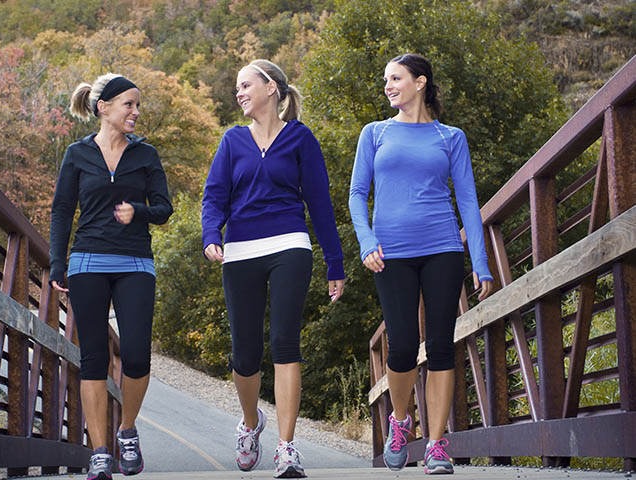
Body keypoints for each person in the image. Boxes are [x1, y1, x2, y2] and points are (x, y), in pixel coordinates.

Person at [349, 53, 493, 475]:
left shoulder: (451, 137)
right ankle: (400, 421)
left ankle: (436, 445)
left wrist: (480, 264)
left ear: (420, 82)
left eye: (396, 78)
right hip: (390, 252)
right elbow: (358, 194)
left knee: (443, 344)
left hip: (442, 247)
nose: (388, 85)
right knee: (403, 345)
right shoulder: (374, 133)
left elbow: (467, 200)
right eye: (386, 80)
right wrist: (367, 241)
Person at [201, 59, 345, 478]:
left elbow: (319, 204)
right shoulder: (231, 141)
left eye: (246, 85)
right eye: (237, 88)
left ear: (271, 88)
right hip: (241, 250)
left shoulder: (300, 139)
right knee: (244, 353)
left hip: (289, 245)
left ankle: (287, 447)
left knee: (285, 341)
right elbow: (214, 196)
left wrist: (334, 262)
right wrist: (212, 235)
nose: (239, 92)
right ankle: (250, 423)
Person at [49, 73, 173, 480]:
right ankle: (100, 451)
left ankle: (127, 429)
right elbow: (63, 209)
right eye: (129, 105)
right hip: (86, 261)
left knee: (137, 355)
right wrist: (56, 263)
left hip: (135, 261)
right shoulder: (77, 154)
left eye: (138, 105)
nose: (136, 112)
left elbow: (164, 208)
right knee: (93, 359)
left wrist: (138, 210)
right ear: (104, 107)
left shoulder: (146, 155)